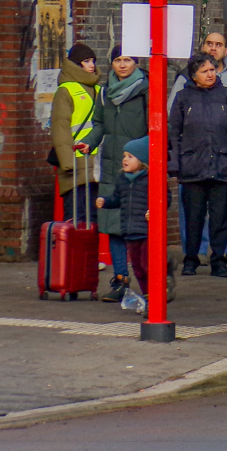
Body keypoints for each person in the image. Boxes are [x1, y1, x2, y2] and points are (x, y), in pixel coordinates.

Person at [169, 33, 227, 267]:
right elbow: (173, 121)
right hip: (194, 159)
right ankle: (197, 253)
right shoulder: (184, 83)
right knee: (194, 211)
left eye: (218, 45)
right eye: (209, 43)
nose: (213, 48)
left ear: (226, 50)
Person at [79, 45, 147, 304]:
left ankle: (150, 280)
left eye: (127, 59)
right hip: (112, 164)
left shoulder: (145, 89)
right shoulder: (105, 92)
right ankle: (120, 279)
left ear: (136, 63)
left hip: (140, 166)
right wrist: (89, 142)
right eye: (118, 59)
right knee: (113, 225)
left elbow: (157, 123)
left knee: (141, 226)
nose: (122, 64)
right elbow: (99, 124)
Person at [96, 136, 175, 303]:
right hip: (129, 231)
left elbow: (165, 199)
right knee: (138, 269)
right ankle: (148, 295)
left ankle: (157, 293)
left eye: (130, 156)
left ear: (142, 160)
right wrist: (106, 202)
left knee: (148, 266)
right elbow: (118, 199)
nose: (125, 160)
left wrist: (154, 211)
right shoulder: (122, 180)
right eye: (124, 156)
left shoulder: (152, 178)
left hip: (147, 231)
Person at [51, 43, 100, 230]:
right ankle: (73, 259)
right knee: (76, 218)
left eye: (93, 61)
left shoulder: (97, 90)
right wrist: (67, 162)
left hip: (94, 163)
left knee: (93, 219)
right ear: (75, 65)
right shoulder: (66, 90)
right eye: (86, 61)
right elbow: (60, 127)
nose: (91, 65)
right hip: (75, 164)